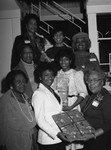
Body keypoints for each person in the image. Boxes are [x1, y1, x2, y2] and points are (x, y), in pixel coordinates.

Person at [52, 49, 88, 150]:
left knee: (76, 135)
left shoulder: (77, 74)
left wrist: (71, 106)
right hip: (60, 106)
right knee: (65, 135)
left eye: (66, 59)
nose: (63, 62)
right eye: (61, 60)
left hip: (73, 104)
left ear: (70, 61)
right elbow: (53, 91)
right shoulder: (56, 74)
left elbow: (83, 93)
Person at [32, 62, 69, 150]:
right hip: (48, 140)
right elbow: (40, 120)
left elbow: (58, 112)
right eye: (46, 75)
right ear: (40, 77)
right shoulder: (38, 93)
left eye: (52, 75)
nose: (50, 78)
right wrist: (56, 133)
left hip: (60, 136)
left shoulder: (54, 91)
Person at [0, 69, 36, 150]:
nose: (22, 84)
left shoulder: (24, 96)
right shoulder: (5, 101)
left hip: (28, 143)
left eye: (24, 81)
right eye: (18, 81)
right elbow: (1, 129)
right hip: (14, 144)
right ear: (11, 84)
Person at [81, 69, 111, 150]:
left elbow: (109, 123)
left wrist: (93, 135)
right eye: (89, 80)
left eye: (95, 80)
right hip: (91, 139)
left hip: (101, 140)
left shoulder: (106, 97)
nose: (91, 83)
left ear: (102, 82)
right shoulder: (94, 95)